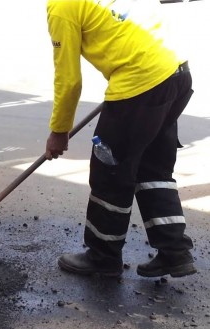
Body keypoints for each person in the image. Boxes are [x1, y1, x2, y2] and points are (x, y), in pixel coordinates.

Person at [45, 0, 196, 278]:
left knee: (110, 172)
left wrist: (59, 131)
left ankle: (102, 257)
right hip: (176, 73)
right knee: (153, 169)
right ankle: (174, 252)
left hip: (141, 83)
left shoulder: (62, 7)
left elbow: (68, 81)